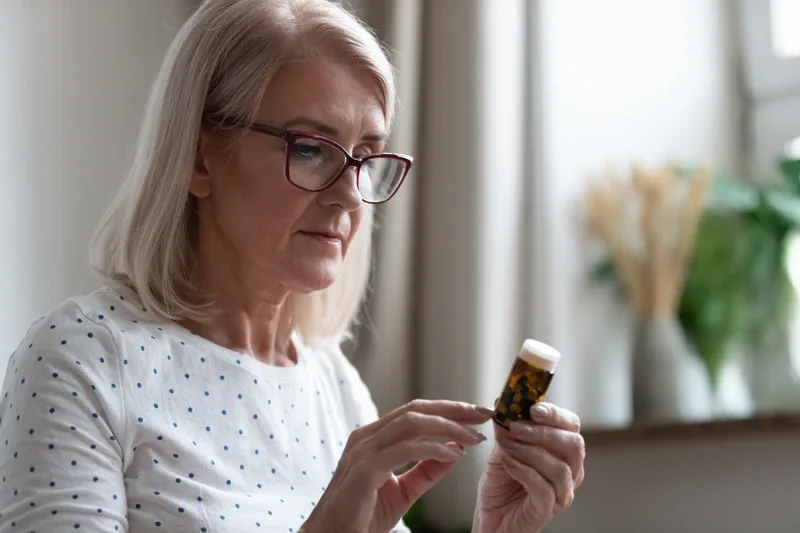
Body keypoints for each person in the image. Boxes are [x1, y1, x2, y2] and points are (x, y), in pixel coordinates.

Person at [0, 0, 585, 531]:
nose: (351, 197)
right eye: (310, 149)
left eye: (364, 158)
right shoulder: (81, 363)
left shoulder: (332, 386)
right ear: (200, 157)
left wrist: (498, 528)